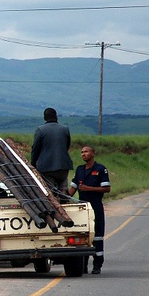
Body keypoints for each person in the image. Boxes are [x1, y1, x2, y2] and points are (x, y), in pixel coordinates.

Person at [68, 146, 111, 275]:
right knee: (84, 236)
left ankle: (97, 265)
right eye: (81, 152)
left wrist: (89, 188)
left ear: (93, 153)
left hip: (96, 206)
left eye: (86, 152)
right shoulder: (80, 170)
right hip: (83, 207)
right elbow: (73, 189)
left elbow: (107, 188)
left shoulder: (100, 169)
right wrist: (64, 199)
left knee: (97, 236)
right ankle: (84, 265)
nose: (83, 154)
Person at [30, 107, 73, 195]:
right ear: (56, 116)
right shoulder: (65, 129)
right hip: (63, 165)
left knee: (50, 189)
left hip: (47, 166)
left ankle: (54, 196)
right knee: (63, 183)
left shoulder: (40, 130)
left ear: (45, 118)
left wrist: (33, 164)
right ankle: (64, 191)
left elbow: (35, 149)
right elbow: (67, 146)